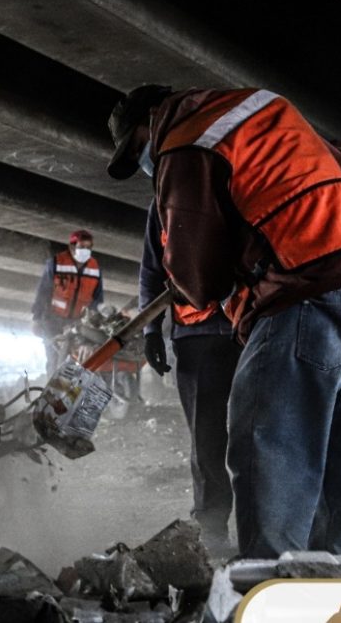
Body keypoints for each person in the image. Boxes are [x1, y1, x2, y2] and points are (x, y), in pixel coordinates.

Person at [107, 85, 341, 558]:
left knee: (268, 453)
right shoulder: (265, 110)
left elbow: (196, 274)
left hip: (304, 292)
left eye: (138, 149)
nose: (145, 162)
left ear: (150, 122)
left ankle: (271, 589)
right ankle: (336, 587)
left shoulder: (182, 139)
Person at [141, 200, 241, 551]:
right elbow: (153, 269)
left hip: (247, 332)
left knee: (259, 437)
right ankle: (212, 527)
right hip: (195, 337)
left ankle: (264, 531)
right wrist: (151, 329)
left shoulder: (234, 184)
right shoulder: (163, 203)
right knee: (206, 439)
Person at [31, 230, 104, 376]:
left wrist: (92, 321)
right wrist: (36, 318)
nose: (86, 251)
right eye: (82, 247)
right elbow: (43, 292)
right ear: (72, 247)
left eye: (89, 248)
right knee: (54, 358)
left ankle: (70, 392)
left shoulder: (94, 268)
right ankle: (52, 394)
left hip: (76, 322)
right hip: (52, 320)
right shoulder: (56, 263)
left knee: (75, 359)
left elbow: (96, 300)